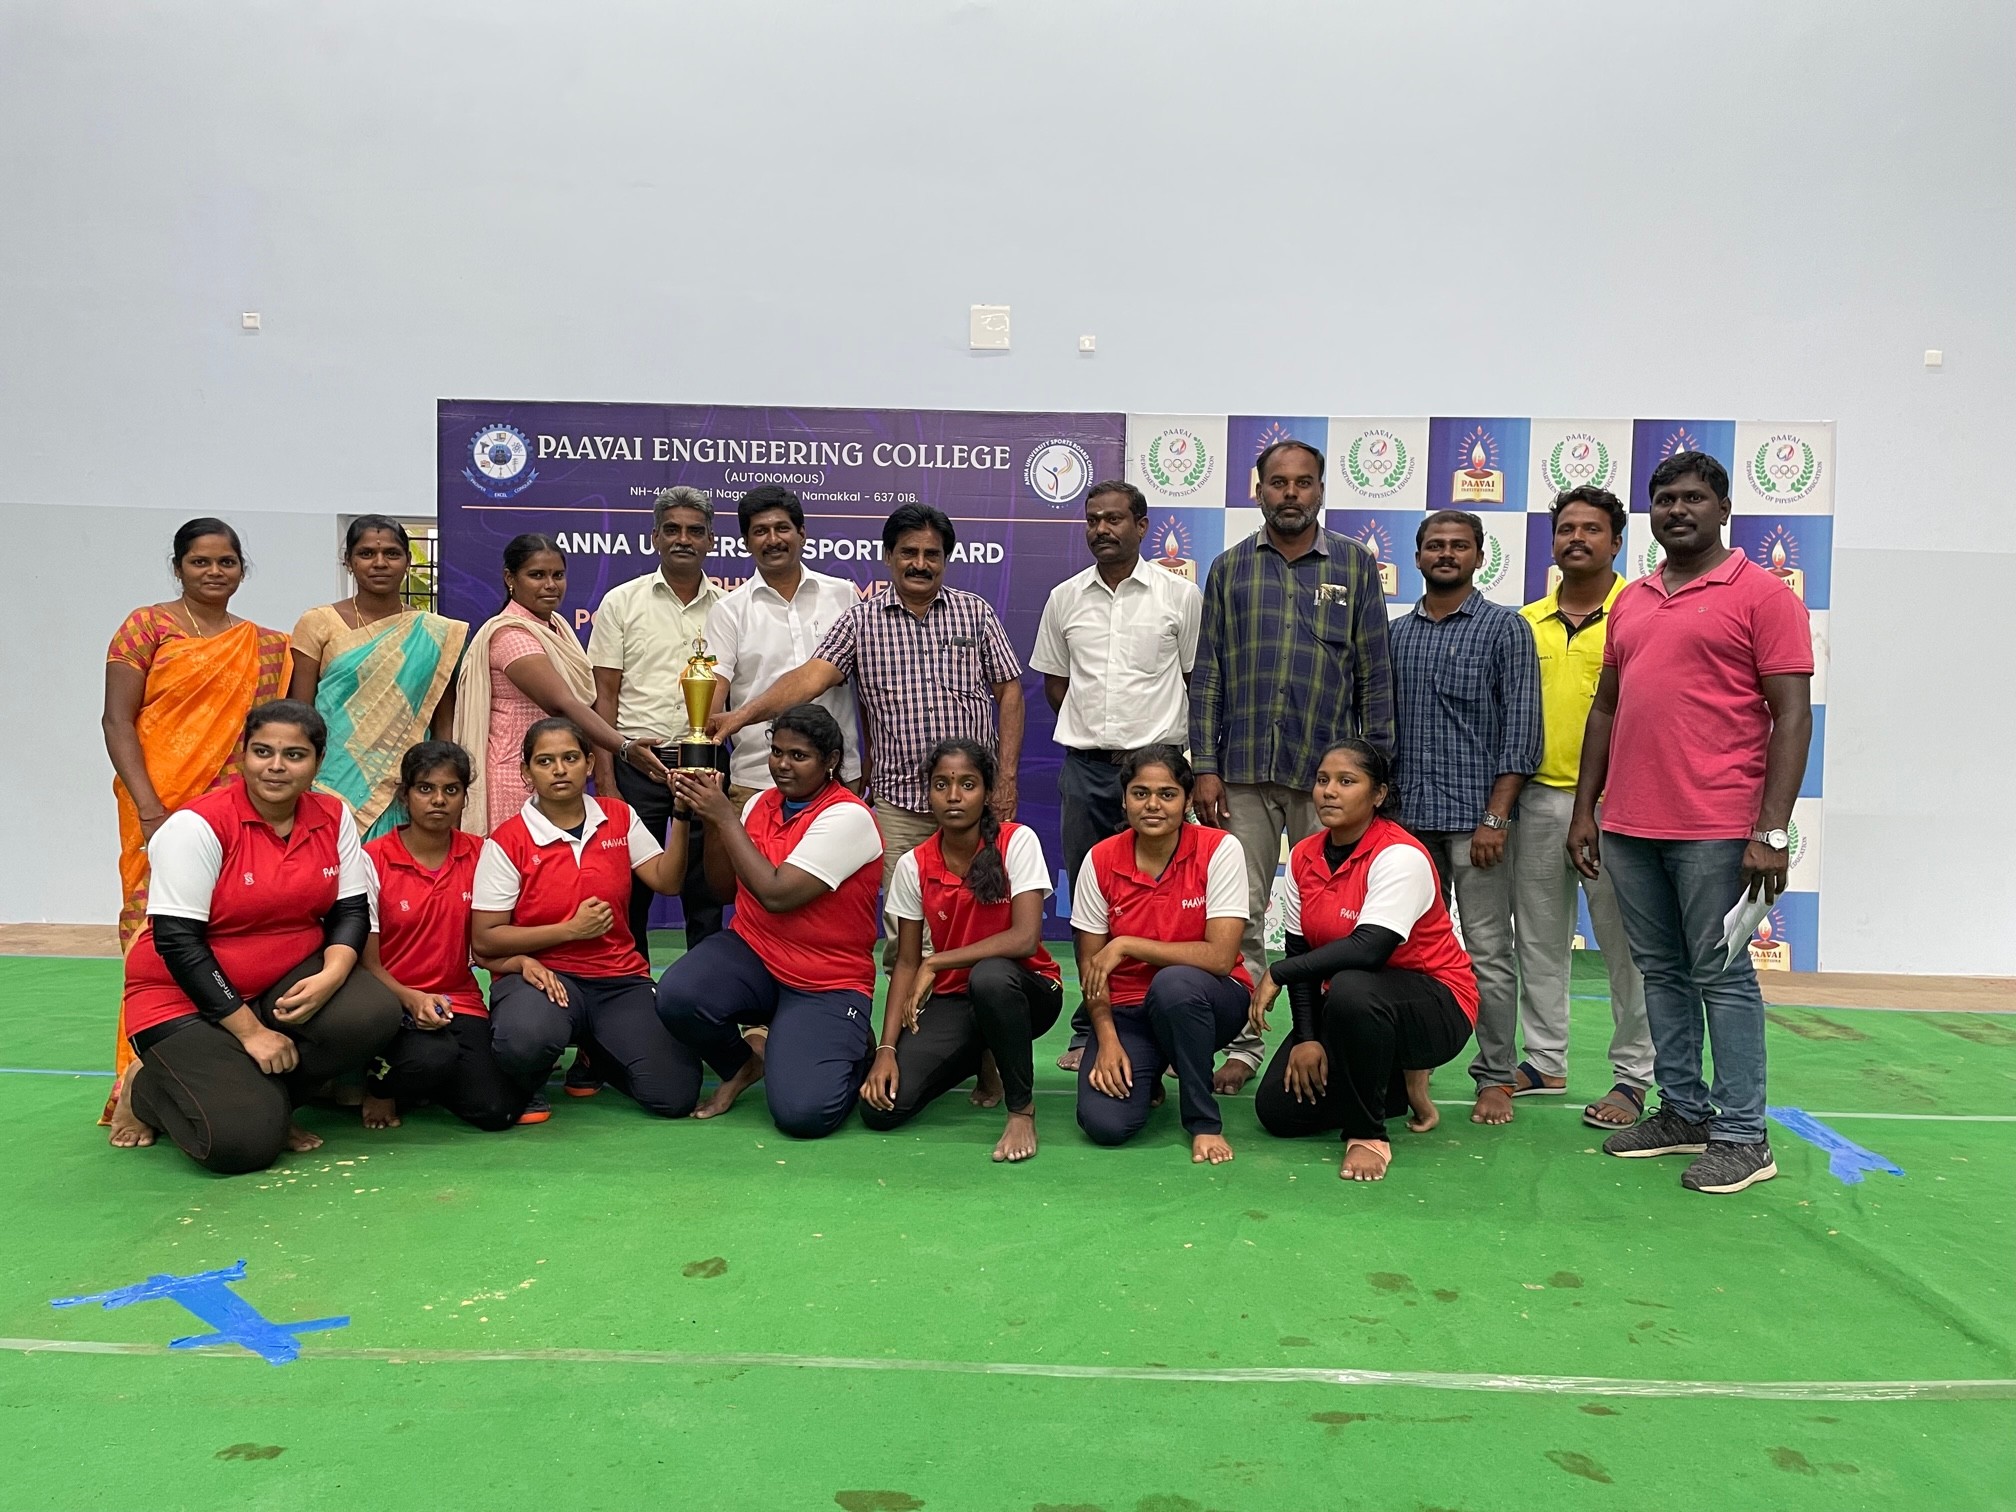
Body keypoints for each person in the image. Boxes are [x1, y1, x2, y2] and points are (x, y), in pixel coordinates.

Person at [1568, 452, 1813, 1195]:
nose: (1678, 510)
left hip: (1717, 825)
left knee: (1723, 976)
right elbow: (1606, 708)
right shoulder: (1634, 600)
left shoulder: (1764, 596)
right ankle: (1682, 1112)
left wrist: (1771, 831)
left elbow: (1792, 715)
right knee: (1662, 971)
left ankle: (1743, 1136)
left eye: (1694, 498)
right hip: (1629, 825)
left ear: (1724, 509)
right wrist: (1586, 809)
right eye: (1665, 499)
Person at [705, 504, 1023, 965]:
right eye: (908, 552)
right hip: (900, 805)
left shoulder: (976, 613)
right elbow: (810, 678)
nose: (920, 564)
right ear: (888, 556)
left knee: (986, 919)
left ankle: (979, 1005)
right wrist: (740, 716)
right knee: (906, 933)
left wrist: (1006, 777)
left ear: (946, 559)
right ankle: (912, 1010)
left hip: (974, 801)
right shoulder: (861, 621)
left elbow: (1009, 692)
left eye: (931, 554)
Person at [105, 701, 401, 1173]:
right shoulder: (196, 826)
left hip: (278, 981)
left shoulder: (333, 815)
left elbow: (349, 909)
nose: (276, 766)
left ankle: (267, 1103)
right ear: (244, 754)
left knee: (371, 1012)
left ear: (318, 761)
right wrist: (252, 1032)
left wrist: (333, 973)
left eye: (294, 755)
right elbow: (178, 944)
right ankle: (146, 1091)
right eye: (263, 751)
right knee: (243, 1146)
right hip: (180, 997)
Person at [1190, 440, 1394, 1045]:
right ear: (1259, 491)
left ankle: (1327, 1042)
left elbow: (1374, 676)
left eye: (1303, 483)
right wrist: (1204, 766)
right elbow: (1209, 674)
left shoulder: (1355, 566)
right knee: (1240, 911)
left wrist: (1374, 775)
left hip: (1327, 778)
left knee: (1333, 914)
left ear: (1321, 491)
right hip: (1242, 771)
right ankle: (1243, 1042)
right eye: (1278, 483)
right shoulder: (1228, 567)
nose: (1290, 494)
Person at [1028, 480, 1221, 1076]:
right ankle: (1091, 1025)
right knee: (1092, 900)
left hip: (1158, 771)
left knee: (1166, 904)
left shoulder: (1180, 596)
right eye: (1093, 520)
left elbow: (1196, 682)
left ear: (1141, 526)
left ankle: (1167, 1020)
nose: (1102, 529)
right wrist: (1099, 733)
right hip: (1087, 770)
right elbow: (1056, 683)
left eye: (1114, 519)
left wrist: (1174, 762)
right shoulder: (1064, 597)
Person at [101, 517, 290, 1115]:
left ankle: (231, 1073)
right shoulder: (147, 626)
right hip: (157, 807)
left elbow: (273, 738)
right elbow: (116, 720)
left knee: (230, 934)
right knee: (152, 940)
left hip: (231, 813)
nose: (214, 572)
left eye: (226, 562)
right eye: (200, 562)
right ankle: (137, 1082)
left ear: (241, 569)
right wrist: (151, 810)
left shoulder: (266, 646)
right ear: (178, 567)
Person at [1249, 740, 1478, 1182]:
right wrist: (1308, 1038)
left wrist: (1277, 972)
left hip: (1435, 1006)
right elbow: (1300, 952)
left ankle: (1368, 1134)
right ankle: (1394, 1090)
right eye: (1323, 780)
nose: (1329, 791)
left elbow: (1369, 948)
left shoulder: (1400, 855)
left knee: (1353, 984)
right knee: (1279, 1111)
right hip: (1350, 1008)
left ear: (1378, 794)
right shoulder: (1303, 855)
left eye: (1346, 781)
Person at [656, 705, 882, 1136]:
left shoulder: (849, 817)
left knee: (803, 1116)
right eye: (776, 752)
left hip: (824, 981)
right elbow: (723, 889)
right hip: (754, 954)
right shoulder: (760, 803)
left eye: (799, 756)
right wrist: (714, 821)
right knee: (678, 995)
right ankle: (745, 1063)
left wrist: (725, 816)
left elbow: (777, 895)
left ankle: (851, 1044)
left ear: (831, 760)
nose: (782, 764)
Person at [1388, 508, 1540, 1127]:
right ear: (1417, 557)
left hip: (1477, 823)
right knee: (1403, 952)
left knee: (1487, 953)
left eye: (1458, 545)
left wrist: (1496, 819)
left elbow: (1522, 734)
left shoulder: (1506, 630)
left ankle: (1496, 1075)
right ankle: (1405, 1071)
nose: (1446, 554)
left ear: (1479, 556)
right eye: (1434, 545)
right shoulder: (1396, 635)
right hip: (1406, 825)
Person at [471, 718, 701, 1121]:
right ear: (526, 772)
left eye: (570, 758)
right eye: (545, 761)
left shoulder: (619, 816)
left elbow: (667, 881)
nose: (559, 770)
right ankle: (529, 1077)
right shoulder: (507, 841)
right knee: (524, 1041)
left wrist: (680, 814)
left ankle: (597, 1052)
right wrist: (568, 931)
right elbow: (485, 940)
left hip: (618, 978)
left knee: (675, 1095)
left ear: (590, 764)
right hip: (542, 977)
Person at [1514, 487, 1654, 1130]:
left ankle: (1634, 1076)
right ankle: (1545, 1061)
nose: (1577, 538)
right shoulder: (1524, 622)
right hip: (1538, 799)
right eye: (1566, 528)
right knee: (1540, 942)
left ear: (1616, 542)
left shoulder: (1641, 613)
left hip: (1618, 805)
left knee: (1629, 949)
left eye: (1592, 529)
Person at [860, 739, 1063, 1162]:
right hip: (957, 998)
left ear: (987, 793)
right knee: (881, 1109)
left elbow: (1025, 938)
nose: (953, 796)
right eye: (941, 785)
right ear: (928, 793)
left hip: (1030, 991)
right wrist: (886, 1050)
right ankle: (981, 1054)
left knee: (990, 976)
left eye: (967, 784)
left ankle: (1021, 1110)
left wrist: (938, 961)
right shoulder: (914, 864)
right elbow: (907, 963)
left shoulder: (1017, 841)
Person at [357, 741, 554, 1132]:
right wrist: (411, 998)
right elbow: (366, 964)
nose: (438, 800)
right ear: (405, 795)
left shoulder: (482, 854)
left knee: (498, 1111)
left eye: (451, 790)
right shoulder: (372, 859)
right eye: (425, 789)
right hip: (389, 1004)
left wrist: (521, 961)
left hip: (457, 1002)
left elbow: (485, 946)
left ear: (465, 797)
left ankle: (423, 1082)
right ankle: (377, 1085)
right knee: (430, 1057)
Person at [1073, 745, 1252, 1165]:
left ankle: (1202, 1121)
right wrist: (1107, 1039)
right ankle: (1150, 1068)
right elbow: (1091, 970)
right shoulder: (1100, 858)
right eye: (1140, 793)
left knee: (1174, 985)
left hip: (1209, 999)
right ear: (1124, 799)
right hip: (1129, 1010)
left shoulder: (1220, 849)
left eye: (1167, 794)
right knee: (1105, 1125)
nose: (1153, 805)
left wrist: (1127, 944)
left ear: (1187, 801)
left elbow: (1220, 957)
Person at [588, 486, 727, 956]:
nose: (683, 539)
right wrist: (607, 781)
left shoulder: (729, 608)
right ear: (654, 537)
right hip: (637, 765)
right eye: (672, 529)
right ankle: (631, 985)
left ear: (710, 540)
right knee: (631, 889)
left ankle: (706, 987)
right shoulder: (621, 602)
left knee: (705, 890)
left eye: (694, 531)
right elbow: (604, 697)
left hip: (705, 762)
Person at [288, 515, 469, 840]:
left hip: (404, 783)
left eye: (392, 553)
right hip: (332, 779)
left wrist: (441, 782)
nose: (380, 563)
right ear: (349, 561)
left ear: (408, 561)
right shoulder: (318, 622)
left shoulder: (435, 634)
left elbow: (443, 724)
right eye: (367, 554)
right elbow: (300, 717)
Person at [452, 534, 632, 837]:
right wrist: (625, 747)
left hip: (556, 769)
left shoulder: (557, 626)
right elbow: (561, 703)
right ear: (510, 578)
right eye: (537, 575)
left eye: (557, 575)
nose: (550, 585)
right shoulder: (510, 635)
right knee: (519, 859)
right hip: (516, 775)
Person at [704, 484, 863, 806]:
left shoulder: (843, 595)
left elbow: (867, 688)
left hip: (838, 774)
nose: (773, 539)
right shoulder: (728, 611)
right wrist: (706, 728)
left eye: (782, 528)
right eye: (760, 531)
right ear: (746, 542)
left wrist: (869, 757)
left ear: (802, 533)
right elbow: (711, 693)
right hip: (757, 780)